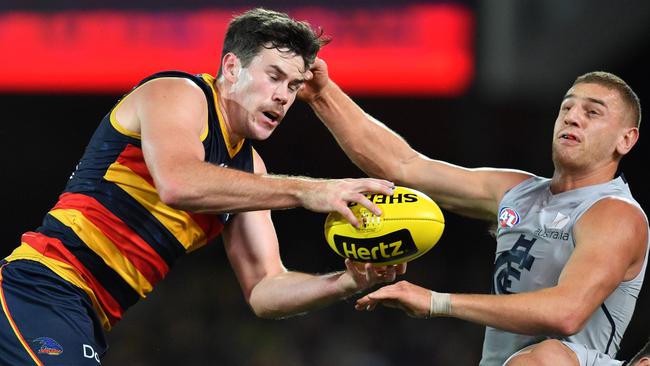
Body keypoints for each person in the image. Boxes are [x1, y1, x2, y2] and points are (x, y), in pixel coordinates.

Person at [0, 8, 405, 365]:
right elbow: (178, 182)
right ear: (231, 67)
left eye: (294, 86)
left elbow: (265, 289)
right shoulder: (178, 93)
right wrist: (309, 191)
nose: (283, 96)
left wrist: (349, 281)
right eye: (274, 76)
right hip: (41, 286)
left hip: (84, 315)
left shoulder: (249, 170)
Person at [298, 58, 648, 366]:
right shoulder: (517, 191)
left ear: (626, 140)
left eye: (592, 112)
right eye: (567, 107)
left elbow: (566, 313)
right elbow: (402, 165)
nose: (573, 118)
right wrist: (322, 94)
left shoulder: (615, 215)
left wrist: (436, 301)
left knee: (545, 359)